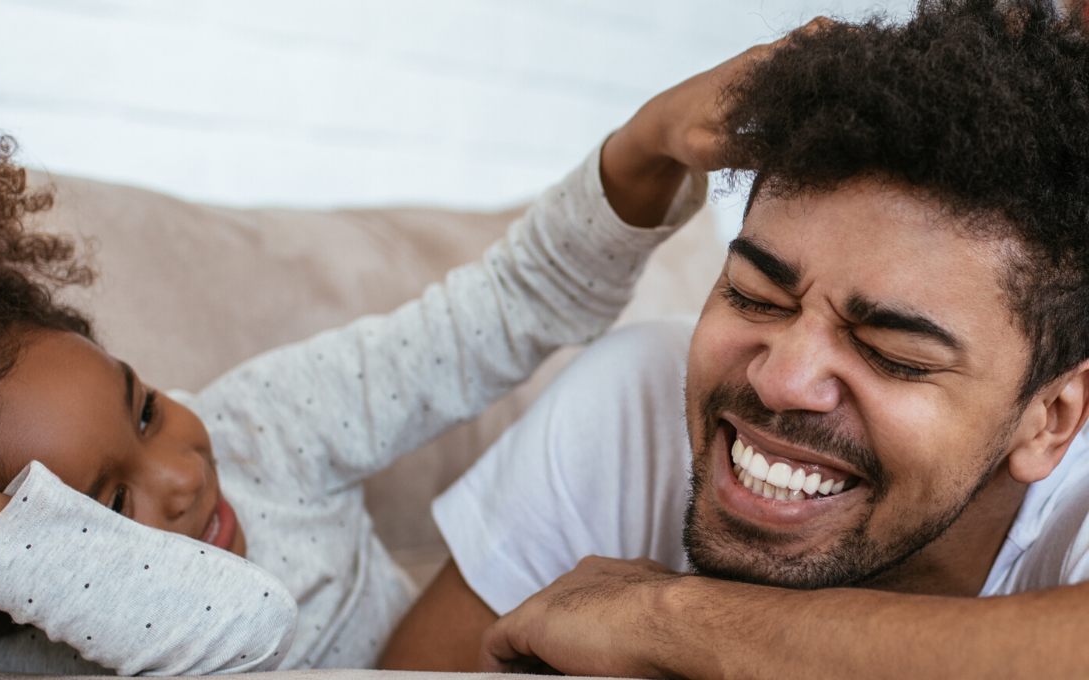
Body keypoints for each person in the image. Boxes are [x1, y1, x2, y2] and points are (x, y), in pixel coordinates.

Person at [0, 37, 724, 675]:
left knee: (640, 370)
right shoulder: (22, 643)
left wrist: (640, 149)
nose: (180, 474)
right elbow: (242, 620)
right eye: (103, 502)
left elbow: (490, 318)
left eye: (145, 406)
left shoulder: (257, 429)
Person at [380, 1, 1089, 677]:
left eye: (890, 353)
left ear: (1050, 420)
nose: (781, 379)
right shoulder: (633, 400)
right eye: (756, 296)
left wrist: (666, 620)